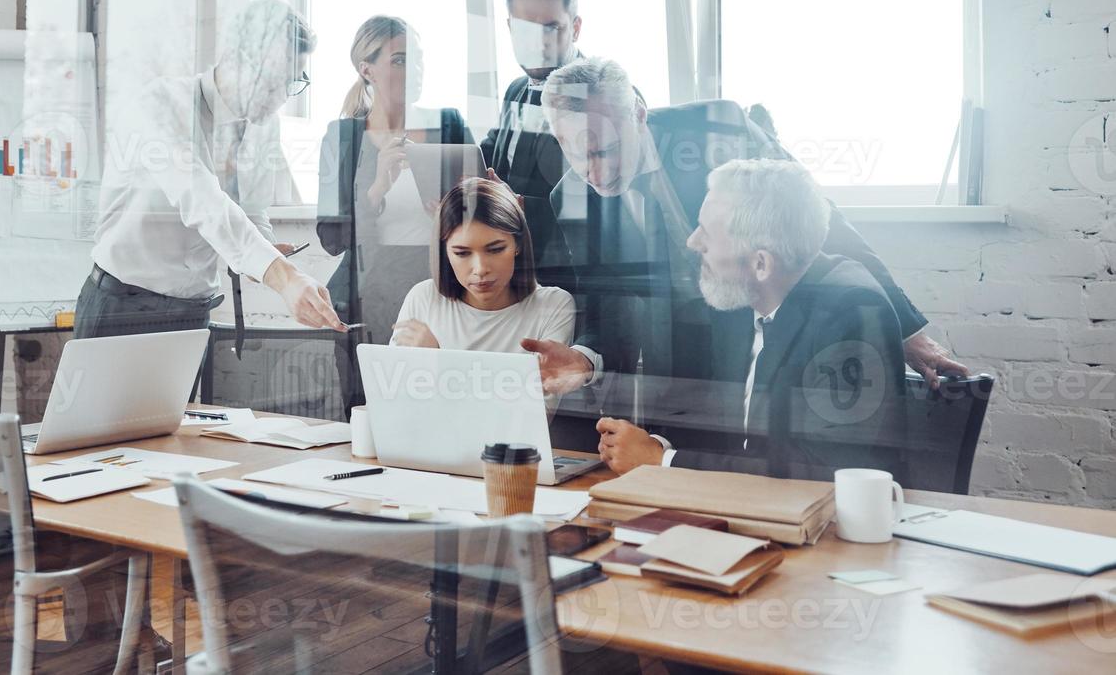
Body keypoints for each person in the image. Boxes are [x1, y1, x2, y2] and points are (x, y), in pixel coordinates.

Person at [519, 58, 967, 445]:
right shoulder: (569, 198)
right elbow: (609, 314)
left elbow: (819, 220)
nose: (594, 171)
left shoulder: (719, 132)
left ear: (638, 114)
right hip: (675, 362)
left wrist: (906, 331)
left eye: (608, 149)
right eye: (575, 152)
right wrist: (585, 358)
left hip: (763, 330)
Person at [595, 159, 908, 479]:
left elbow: (824, 469)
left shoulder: (851, 312)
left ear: (761, 263)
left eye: (707, 233)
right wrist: (655, 446)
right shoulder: (739, 296)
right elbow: (721, 429)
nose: (692, 242)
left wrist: (663, 461)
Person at [78, 0, 344, 340]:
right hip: (123, 306)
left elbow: (252, 209)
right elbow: (203, 201)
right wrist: (285, 278)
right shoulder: (160, 106)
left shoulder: (264, 124)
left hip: (192, 311)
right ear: (236, 58)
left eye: (292, 82)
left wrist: (261, 253)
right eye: (275, 80)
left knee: (182, 399)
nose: (281, 96)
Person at [316, 16, 472, 346]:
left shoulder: (449, 123)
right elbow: (331, 239)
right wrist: (376, 190)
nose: (414, 68)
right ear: (366, 69)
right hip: (367, 296)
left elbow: (484, 211)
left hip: (441, 288)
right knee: (367, 396)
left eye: (418, 58)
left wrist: (450, 216)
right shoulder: (342, 137)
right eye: (400, 60)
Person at [390, 178, 590, 372]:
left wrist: (438, 363)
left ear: (518, 245)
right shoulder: (424, 298)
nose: (480, 269)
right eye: (462, 253)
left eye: (495, 250)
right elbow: (392, 395)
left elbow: (537, 405)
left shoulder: (552, 306)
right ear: (446, 253)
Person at [480, 0, 587, 268]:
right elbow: (497, 151)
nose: (539, 43)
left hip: (567, 275)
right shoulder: (517, 89)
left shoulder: (599, 95)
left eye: (552, 28)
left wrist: (519, 206)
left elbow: (600, 203)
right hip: (507, 267)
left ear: (575, 28)